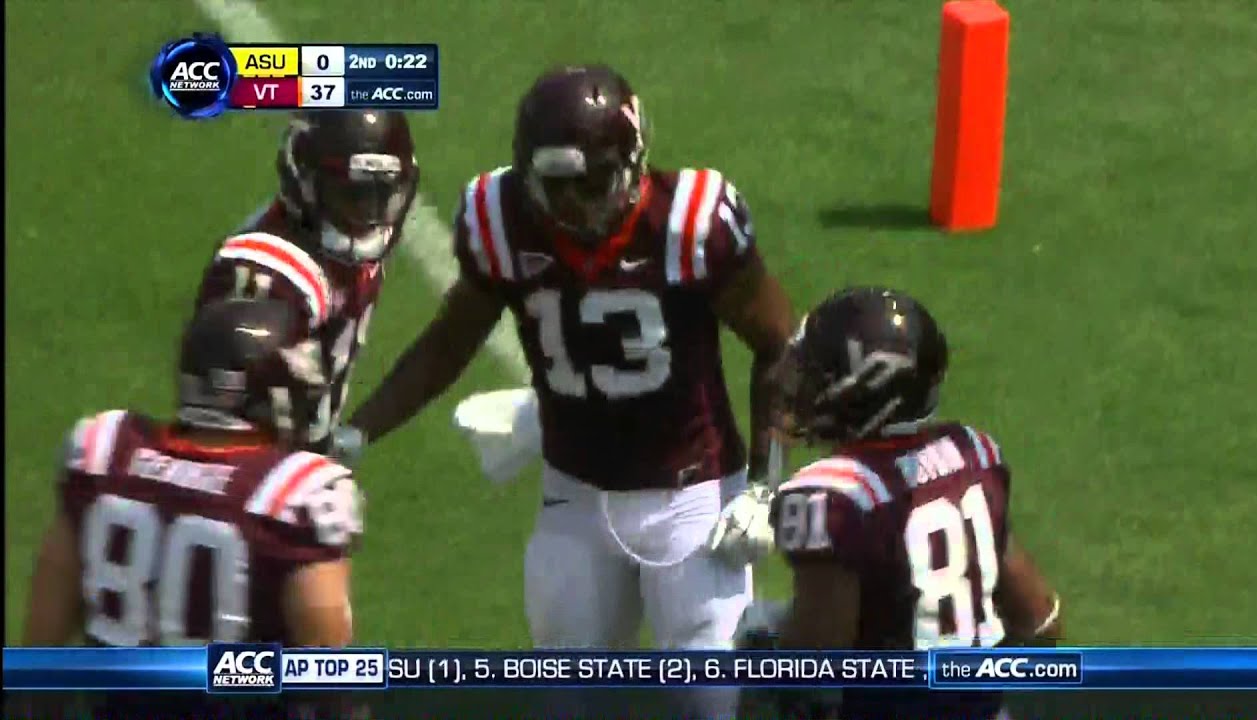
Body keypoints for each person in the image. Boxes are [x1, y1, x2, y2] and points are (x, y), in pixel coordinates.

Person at [342, 64, 795, 717]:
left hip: (691, 496)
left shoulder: (688, 220)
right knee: (567, 695)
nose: (582, 203)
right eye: (561, 186)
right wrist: (359, 429)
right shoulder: (502, 218)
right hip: (576, 490)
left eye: (597, 182)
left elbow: (780, 344)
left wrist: (764, 486)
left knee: (706, 699)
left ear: (634, 160)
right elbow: (451, 340)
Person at [760, 287, 1062, 720]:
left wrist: (763, 652)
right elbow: (1042, 621)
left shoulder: (830, 495)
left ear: (862, 394)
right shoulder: (972, 453)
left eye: (818, 375)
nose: (799, 386)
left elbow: (813, 670)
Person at [22, 299, 362, 650]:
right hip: (231, 704)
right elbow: (326, 670)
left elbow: (41, 644)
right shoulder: (292, 493)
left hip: (104, 700)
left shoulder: (105, 453)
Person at [193, 109, 419, 454]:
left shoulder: (359, 234)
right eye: (353, 196)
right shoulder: (266, 275)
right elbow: (227, 427)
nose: (368, 214)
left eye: (382, 193)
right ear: (305, 183)